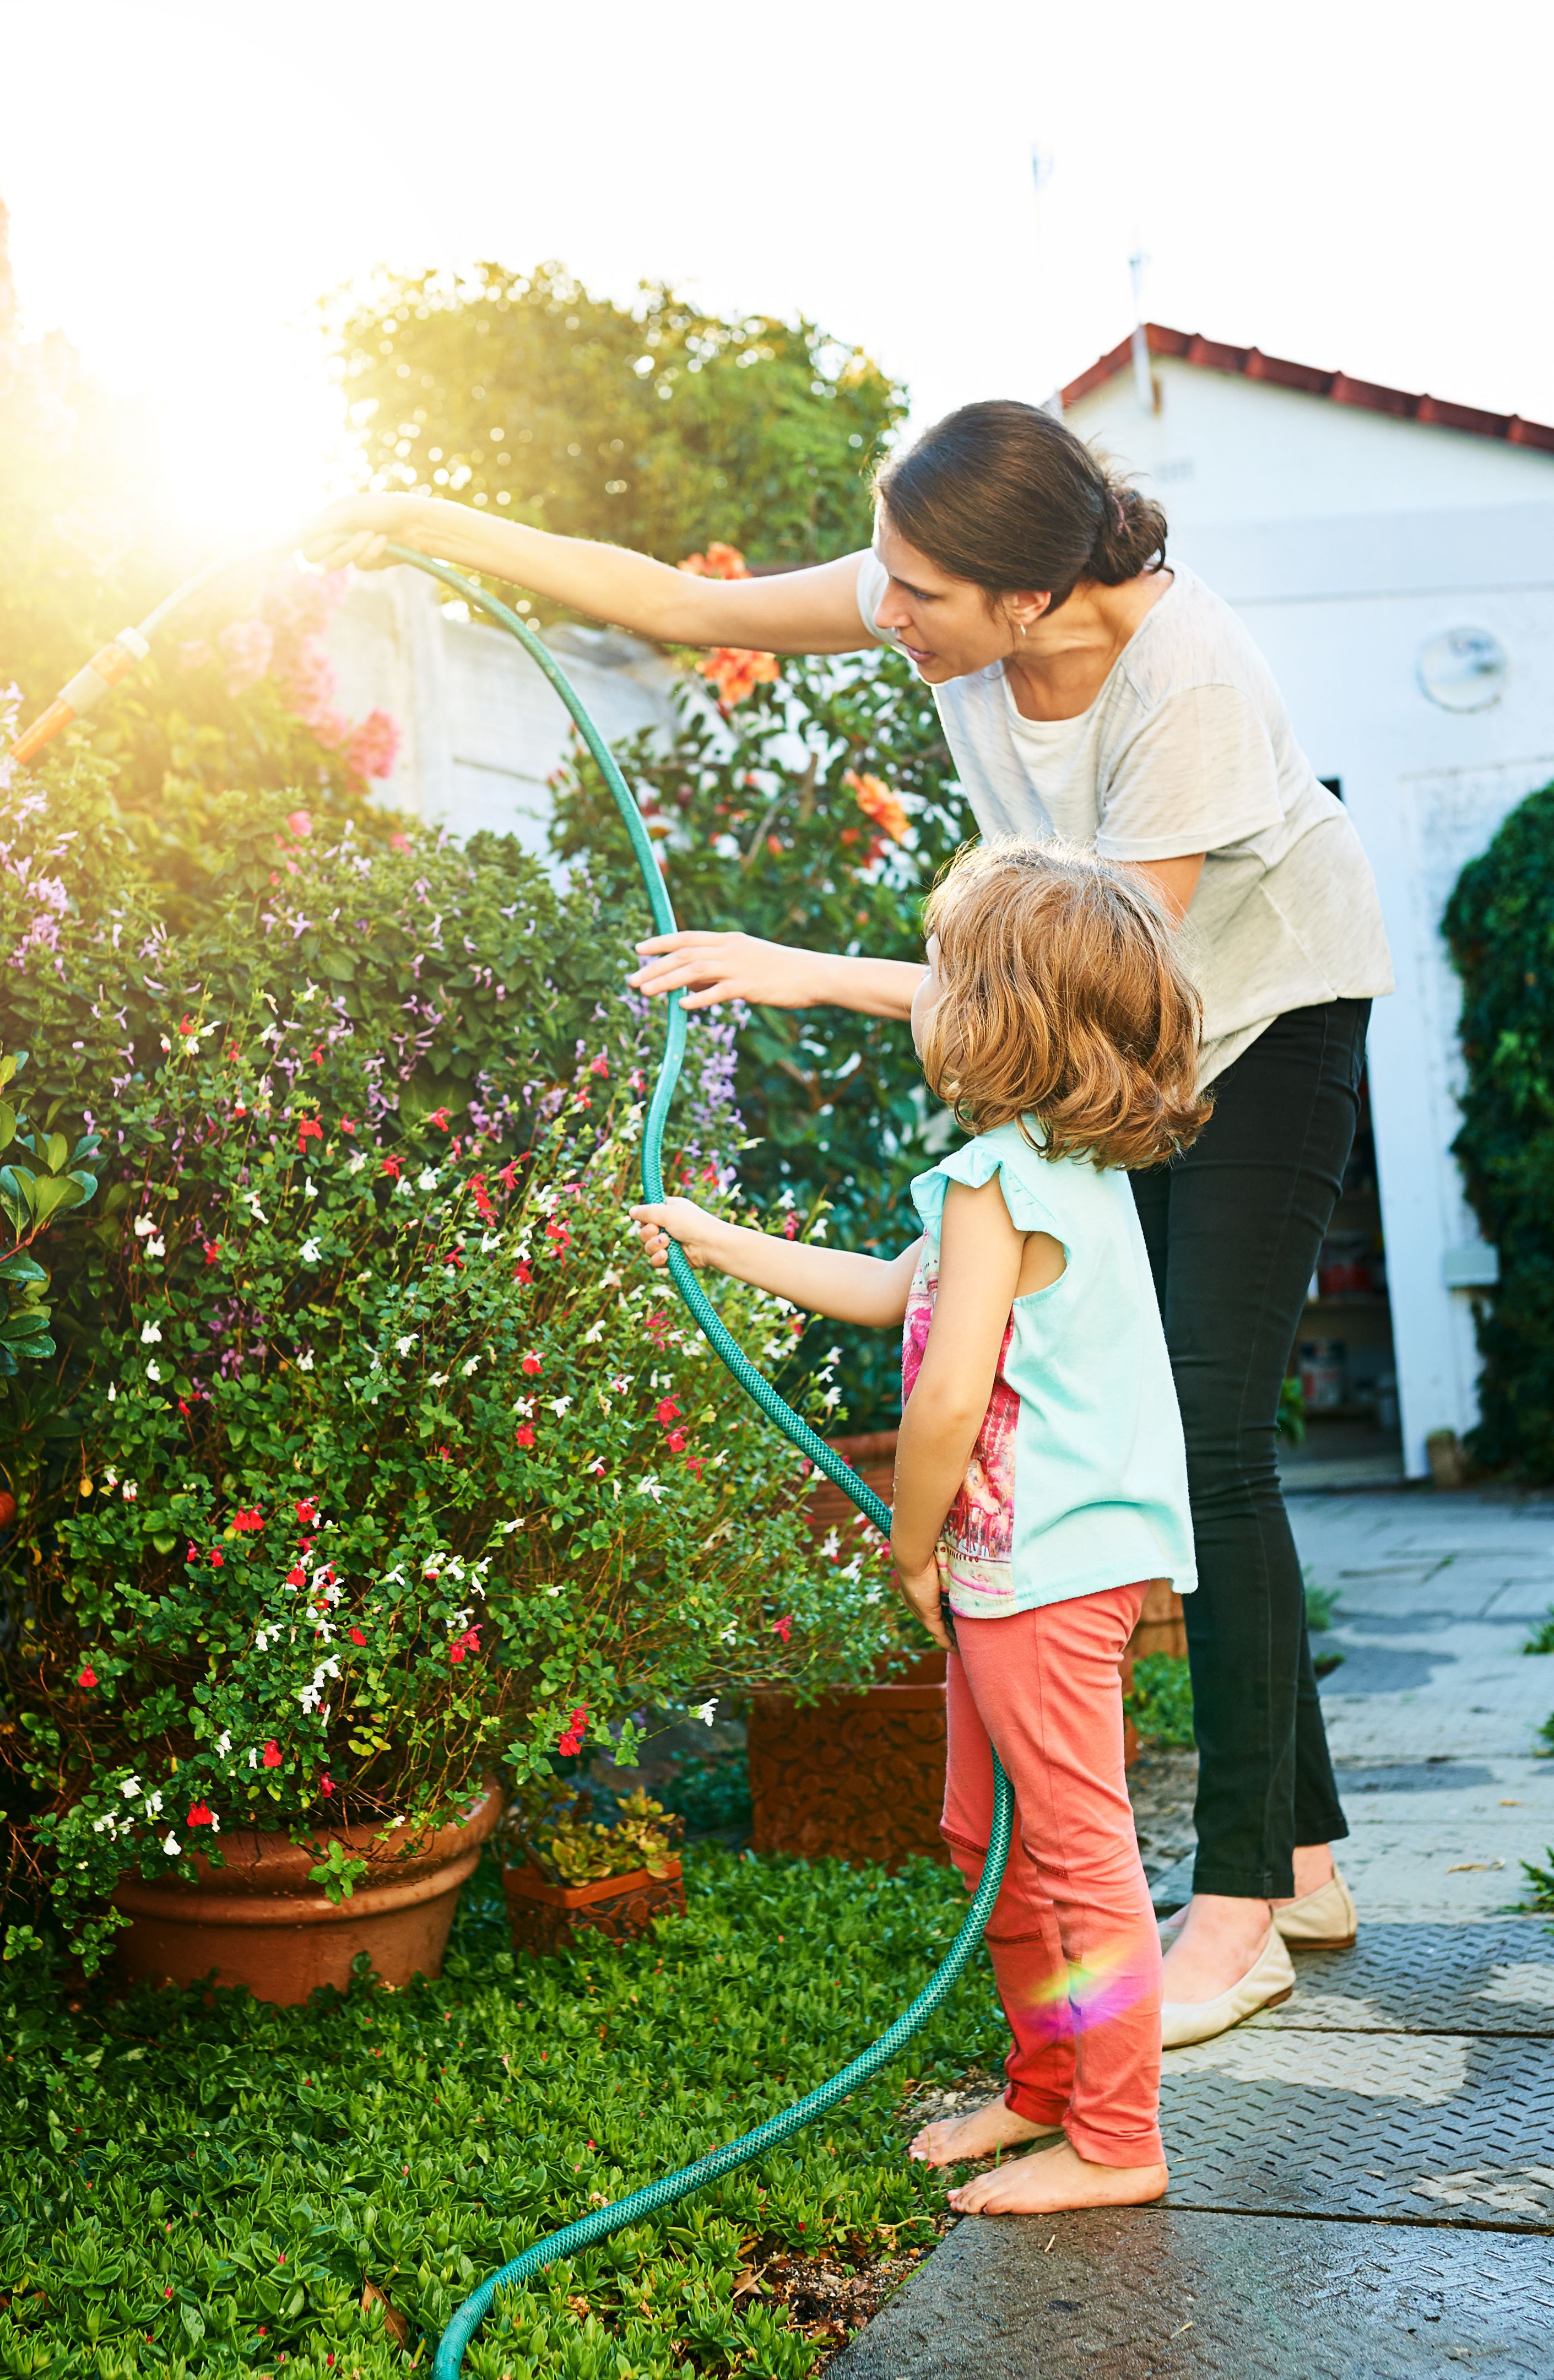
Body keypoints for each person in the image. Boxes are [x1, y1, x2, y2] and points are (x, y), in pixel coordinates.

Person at [302, 402, 1393, 2043]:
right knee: (1186, 1416)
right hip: (1108, 994)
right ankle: (1299, 1858)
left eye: (917, 596)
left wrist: (807, 969)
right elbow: (679, 603)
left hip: (1255, 1012)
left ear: (1027, 597)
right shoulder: (944, 593)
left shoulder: (1195, 682)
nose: (885, 616)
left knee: (1211, 1437)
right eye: (881, 574)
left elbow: (1106, 983)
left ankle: (1236, 1910)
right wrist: (425, 514)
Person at [633, 840, 1205, 2215]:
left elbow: (946, 1397)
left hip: (1040, 1574)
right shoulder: (1044, 1174)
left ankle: (1119, 2141)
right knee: (983, 1832)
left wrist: (909, 1543)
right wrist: (716, 1239)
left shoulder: (1001, 1184)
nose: (922, 994)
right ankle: (1045, 2086)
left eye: (943, 973)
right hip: (1043, 1570)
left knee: (1077, 1851)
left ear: (994, 1018)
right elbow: (903, 1296)